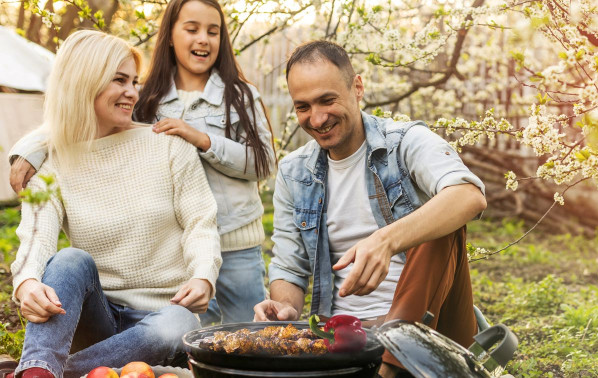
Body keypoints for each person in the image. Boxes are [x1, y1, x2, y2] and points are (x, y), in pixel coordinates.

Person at [9, 0, 275, 325]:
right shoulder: (147, 96)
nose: (203, 39)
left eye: (213, 31)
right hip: (177, 254)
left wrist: (201, 139)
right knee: (191, 344)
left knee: (247, 339)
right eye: (191, 29)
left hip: (234, 245)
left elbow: (264, 164)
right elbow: (82, 117)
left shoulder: (240, 95)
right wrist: (31, 149)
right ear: (170, 36)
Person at [253, 40, 487, 377]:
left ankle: (389, 368)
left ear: (357, 87)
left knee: (443, 224)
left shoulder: (405, 142)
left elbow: (468, 195)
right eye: (303, 106)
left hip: (435, 336)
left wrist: (387, 240)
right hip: (341, 339)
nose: (317, 118)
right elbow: (290, 268)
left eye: (327, 100)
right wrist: (284, 306)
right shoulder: (294, 172)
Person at [8, 30, 221, 378]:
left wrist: (202, 277)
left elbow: (201, 223)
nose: (133, 93)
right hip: (97, 319)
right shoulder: (53, 161)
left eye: (134, 81)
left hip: (164, 317)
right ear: (84, 83)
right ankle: (40, 368)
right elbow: (36, 237)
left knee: (179, 321)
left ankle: (41, 372)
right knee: (69, 259)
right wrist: (27, 282)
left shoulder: (167, 146)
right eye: (119, 80)